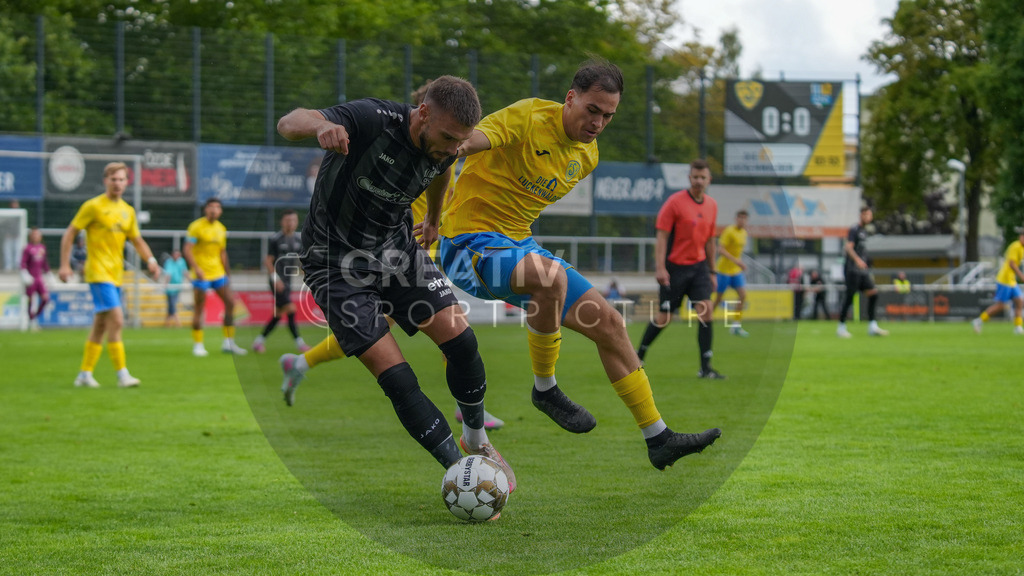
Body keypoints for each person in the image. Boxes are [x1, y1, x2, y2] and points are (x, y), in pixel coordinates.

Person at [437, 60, 721, 471]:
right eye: (592, 109)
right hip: (467, 246)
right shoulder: (529, 116)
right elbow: (467, 141)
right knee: (549, 279)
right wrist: (445, 149)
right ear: (570, 98)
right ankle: (545, 389)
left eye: (608, 116)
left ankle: (657, 436)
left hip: (517, 247)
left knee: (611, 324)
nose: (598, 122)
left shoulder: (587, 157)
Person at [275, 75, 514, 485]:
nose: (453, 148)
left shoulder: (447, 147)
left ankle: (475, 438)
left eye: (461, 141)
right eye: (447, 137)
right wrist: (319, 126)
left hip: (397, 250)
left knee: (463, 342)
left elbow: (442, 169)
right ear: (423, 113)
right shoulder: (371, 118)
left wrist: (435, 216)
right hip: (334, 266)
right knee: (399, 379)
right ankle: (462, 476)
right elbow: (288, 122)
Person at [58, 162, 161, 388]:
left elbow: (137, 240)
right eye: (113, 179)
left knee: (100, 326)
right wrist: (64, 264)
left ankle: (84, 374)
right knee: (117, 318)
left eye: (121, 179)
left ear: (127, 182)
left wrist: (151, 261)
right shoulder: (93, 206)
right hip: (97, 273)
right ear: (106, 181)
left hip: (116, 275)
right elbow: (70, 233)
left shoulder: (128, 211)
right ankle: (122, 374)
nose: (117, 183)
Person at [635, 159, 726, 381]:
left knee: (705, 312)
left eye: (702, 177)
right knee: (665, 317)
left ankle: (706, 368)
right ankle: (637, 357)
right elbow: (662, 236)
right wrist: (660, 267)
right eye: (695, 177)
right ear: (689, 178)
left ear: (708, 180)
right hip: (674, 269)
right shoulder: (674, 202)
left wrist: (713, 272)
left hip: (699, 268)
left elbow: (711, 241)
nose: (698, 181)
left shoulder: (712, 205)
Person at [184, 198, 246, 356]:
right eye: (211, 206)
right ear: (205, 209)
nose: (214, 209)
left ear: (220, 211)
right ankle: (198, 345)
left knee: (231, 303)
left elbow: (222, 252)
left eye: (217, 207)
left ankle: (229, 343)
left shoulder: (221, 229)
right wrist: (196, 268)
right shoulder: (196, 226)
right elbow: (187, 249)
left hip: (218, 274)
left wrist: (228, 272)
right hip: (201, 275)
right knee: (199, 308)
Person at [252, 210, 310, 354]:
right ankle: (300, 343)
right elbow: (268, 261)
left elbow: (300, 261)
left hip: (288, 281)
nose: (291, 223)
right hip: (277, 281)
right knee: (291, 309)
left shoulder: (298, 240)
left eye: (293, 220)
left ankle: (259, 341)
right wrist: (275, 279)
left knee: (278, 315)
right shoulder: (276, 239)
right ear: (282, 222)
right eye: (288, 220)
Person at [837, 206, 889, 338]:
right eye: (867, 215)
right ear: (862, 215)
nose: (869, 217)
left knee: (873, 293)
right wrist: (858, 260)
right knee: (849, 297)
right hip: (852, 270)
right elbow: (848, 247)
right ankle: (841, 327)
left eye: (870, 215)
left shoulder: (864, 231)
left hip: (862, 271)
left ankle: (872, 326)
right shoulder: (854, 229)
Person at [972, 228, 1024, 335]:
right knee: (1001, 305)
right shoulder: (1016, 246)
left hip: (1011, 280)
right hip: (1004, 279)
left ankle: (1018, 327)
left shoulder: (1022, 248)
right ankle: (979, 321)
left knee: (1019, 301)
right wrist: (1021, 276)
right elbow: (1012, 264)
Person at [711, 209, 750, 337]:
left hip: (736, 271)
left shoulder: (744, 233)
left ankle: (736, 326)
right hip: (723, 270)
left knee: (743, 295)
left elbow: (737, 252)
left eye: (744, 218)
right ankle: (706, 321)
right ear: (736, 219)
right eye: (740, 218)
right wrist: (737, 261)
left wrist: (738, 263)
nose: (742, 220)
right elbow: (720, 250)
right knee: (718, 298)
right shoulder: (729, 231)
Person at [20, 227, 50, 330]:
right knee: (30, 300)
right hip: (31, 278)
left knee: (45, 299)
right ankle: (31, 319)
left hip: (39, 278)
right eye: (34, 234)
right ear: (31, 236)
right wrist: (25, 274)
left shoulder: (42, 248)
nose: (36, 236)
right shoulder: (27, 248)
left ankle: (34, 317)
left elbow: (45, 264)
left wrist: (49, 274)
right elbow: (23, 263)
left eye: (38, 234)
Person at [162, 249, 188, 327]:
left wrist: (191, 281)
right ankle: (177, 323)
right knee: (172, 305)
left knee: (171, 305)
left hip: (177, 287)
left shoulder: (181, 262)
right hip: (170, 288)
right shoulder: (169, 262)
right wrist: (166, 284)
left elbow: (185, 272)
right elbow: (168, 274)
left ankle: (167, 323)